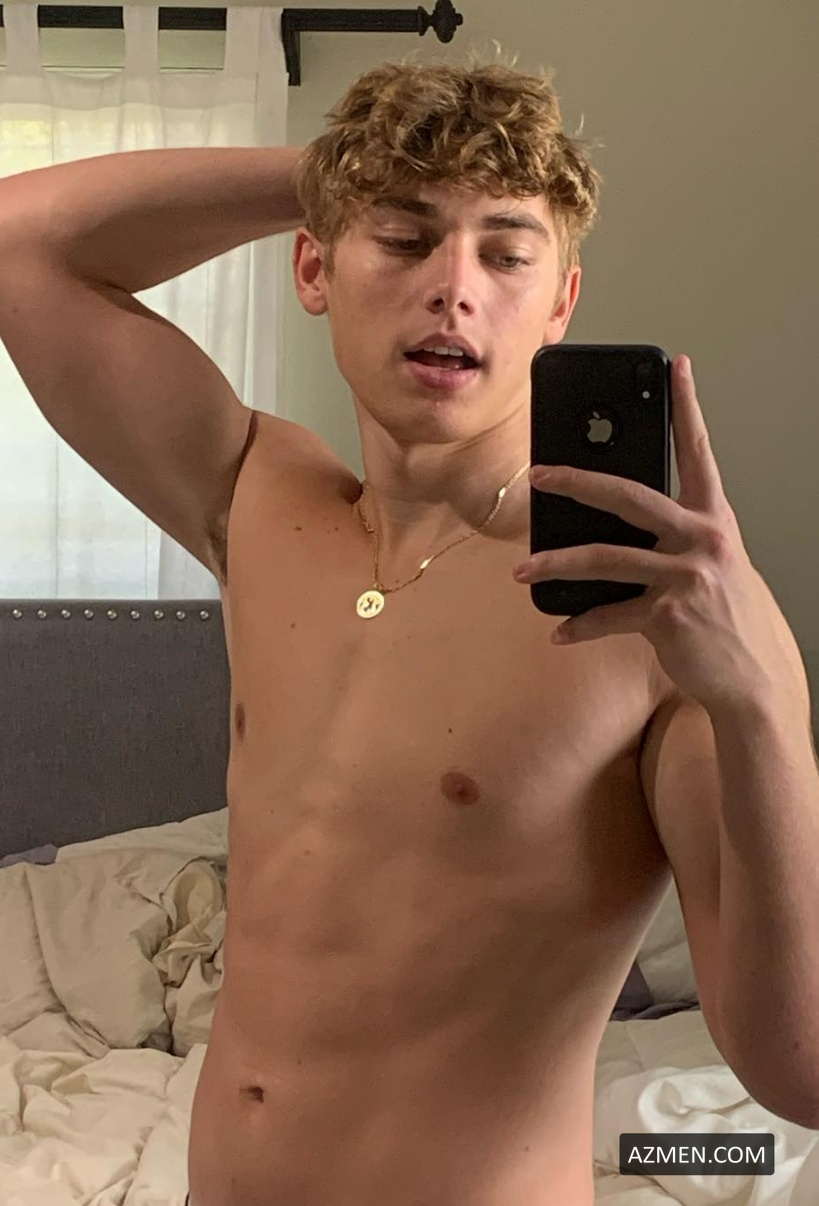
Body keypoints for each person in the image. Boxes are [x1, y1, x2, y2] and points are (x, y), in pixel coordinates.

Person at [1, 50, 818, 1206]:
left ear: (560, 306)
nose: (454, 288)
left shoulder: (658, 612)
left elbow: (798, 1073)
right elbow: (21, 242)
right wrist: (340, 171)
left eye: (506, 253)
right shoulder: (262, 501)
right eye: (403, 237)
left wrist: (761, 706)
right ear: (314, 266)